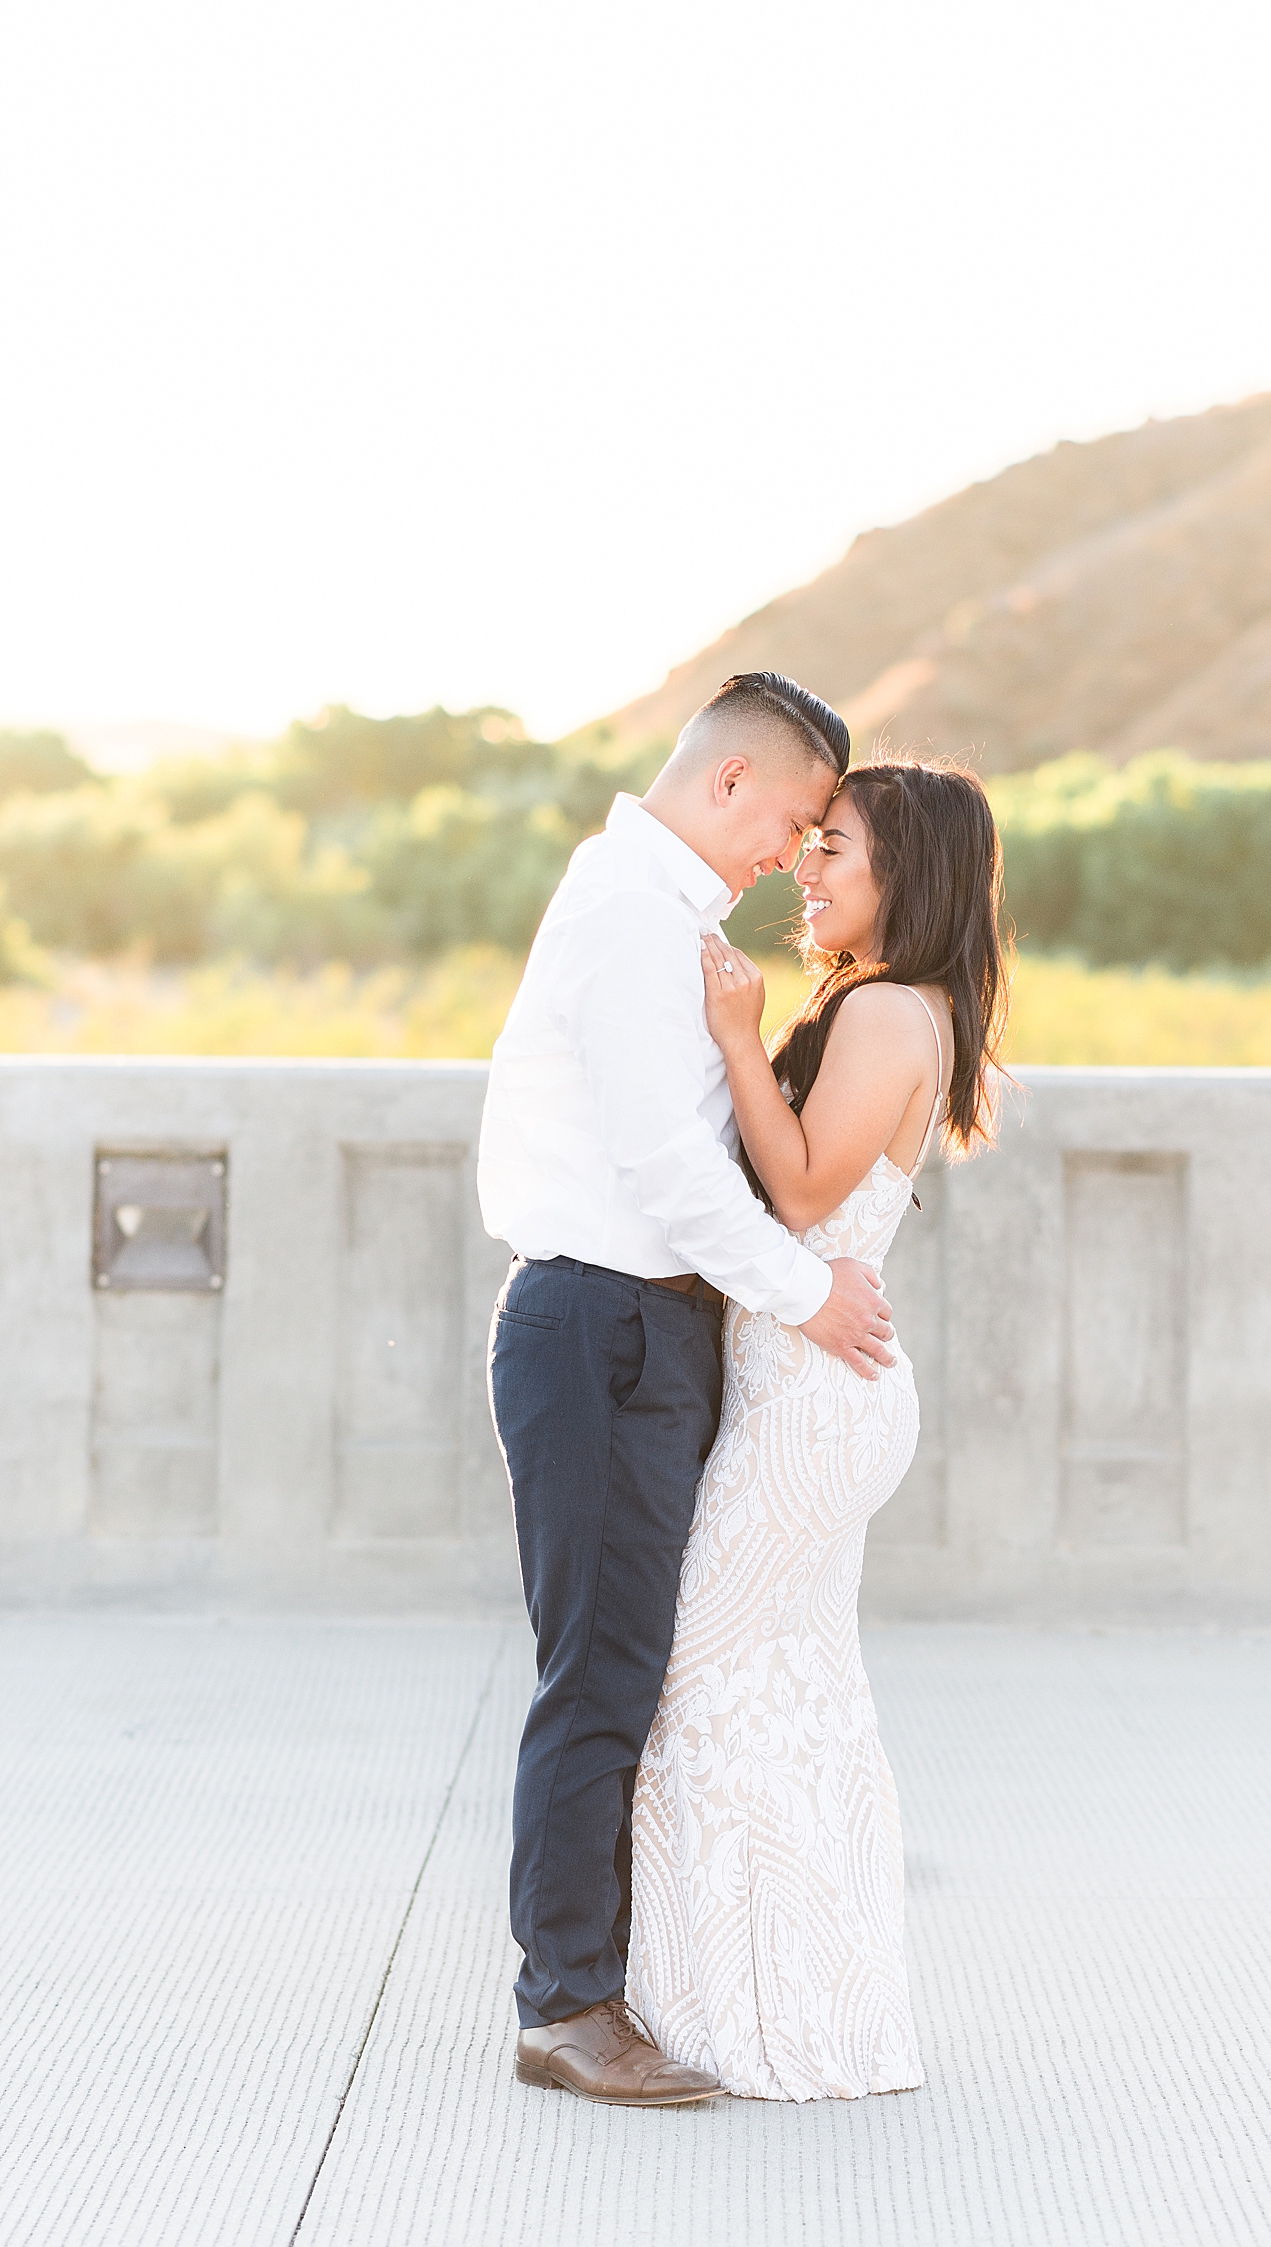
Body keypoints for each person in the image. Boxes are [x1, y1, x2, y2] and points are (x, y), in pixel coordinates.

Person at [478, 673, 901, 2108]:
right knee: (597, 1674)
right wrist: (809, 1297)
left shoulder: (677, 928)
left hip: (647, 1333)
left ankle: (612, 1980)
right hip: (600, 1323)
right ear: (730, 785)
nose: (795, 851)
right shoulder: (624, 915)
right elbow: (666, 1171)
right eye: (792, 819)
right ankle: (566, 2006)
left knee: (632, 1668)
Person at [626, 754, 1008, 2100]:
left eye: (834, 847)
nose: (808, 864)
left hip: (812, 1404)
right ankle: (791, 2005)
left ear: (907, 877)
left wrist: (736, 1036)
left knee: (710, 1684)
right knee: (782, 1693)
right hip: (807, 1390)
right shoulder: (879, 1004)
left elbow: (792, 1202)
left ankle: (753, 2018)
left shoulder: (893, 1013)